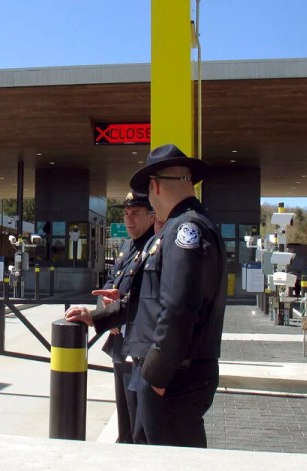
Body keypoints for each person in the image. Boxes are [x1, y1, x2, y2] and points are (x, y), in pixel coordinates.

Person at [66, 143, 226, 448]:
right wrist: (97, 316)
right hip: (169, 373)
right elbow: (150, 299)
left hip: (173, 376)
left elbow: (180, 308)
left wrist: (156, 377)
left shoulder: (185, 229)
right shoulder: (180, 228)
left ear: (154, 186)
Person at [99, 191, 155, 443]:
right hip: (120, 344)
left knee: (139, 424)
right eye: (125, 213)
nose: (128, 219)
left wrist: (116, 313)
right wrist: (105, 305)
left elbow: (147, 296)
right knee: (124, 420)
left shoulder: (154, 246)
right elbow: (111, 282)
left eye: (135, 213)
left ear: (152, 216)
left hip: (140, 346)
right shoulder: (126, 246)